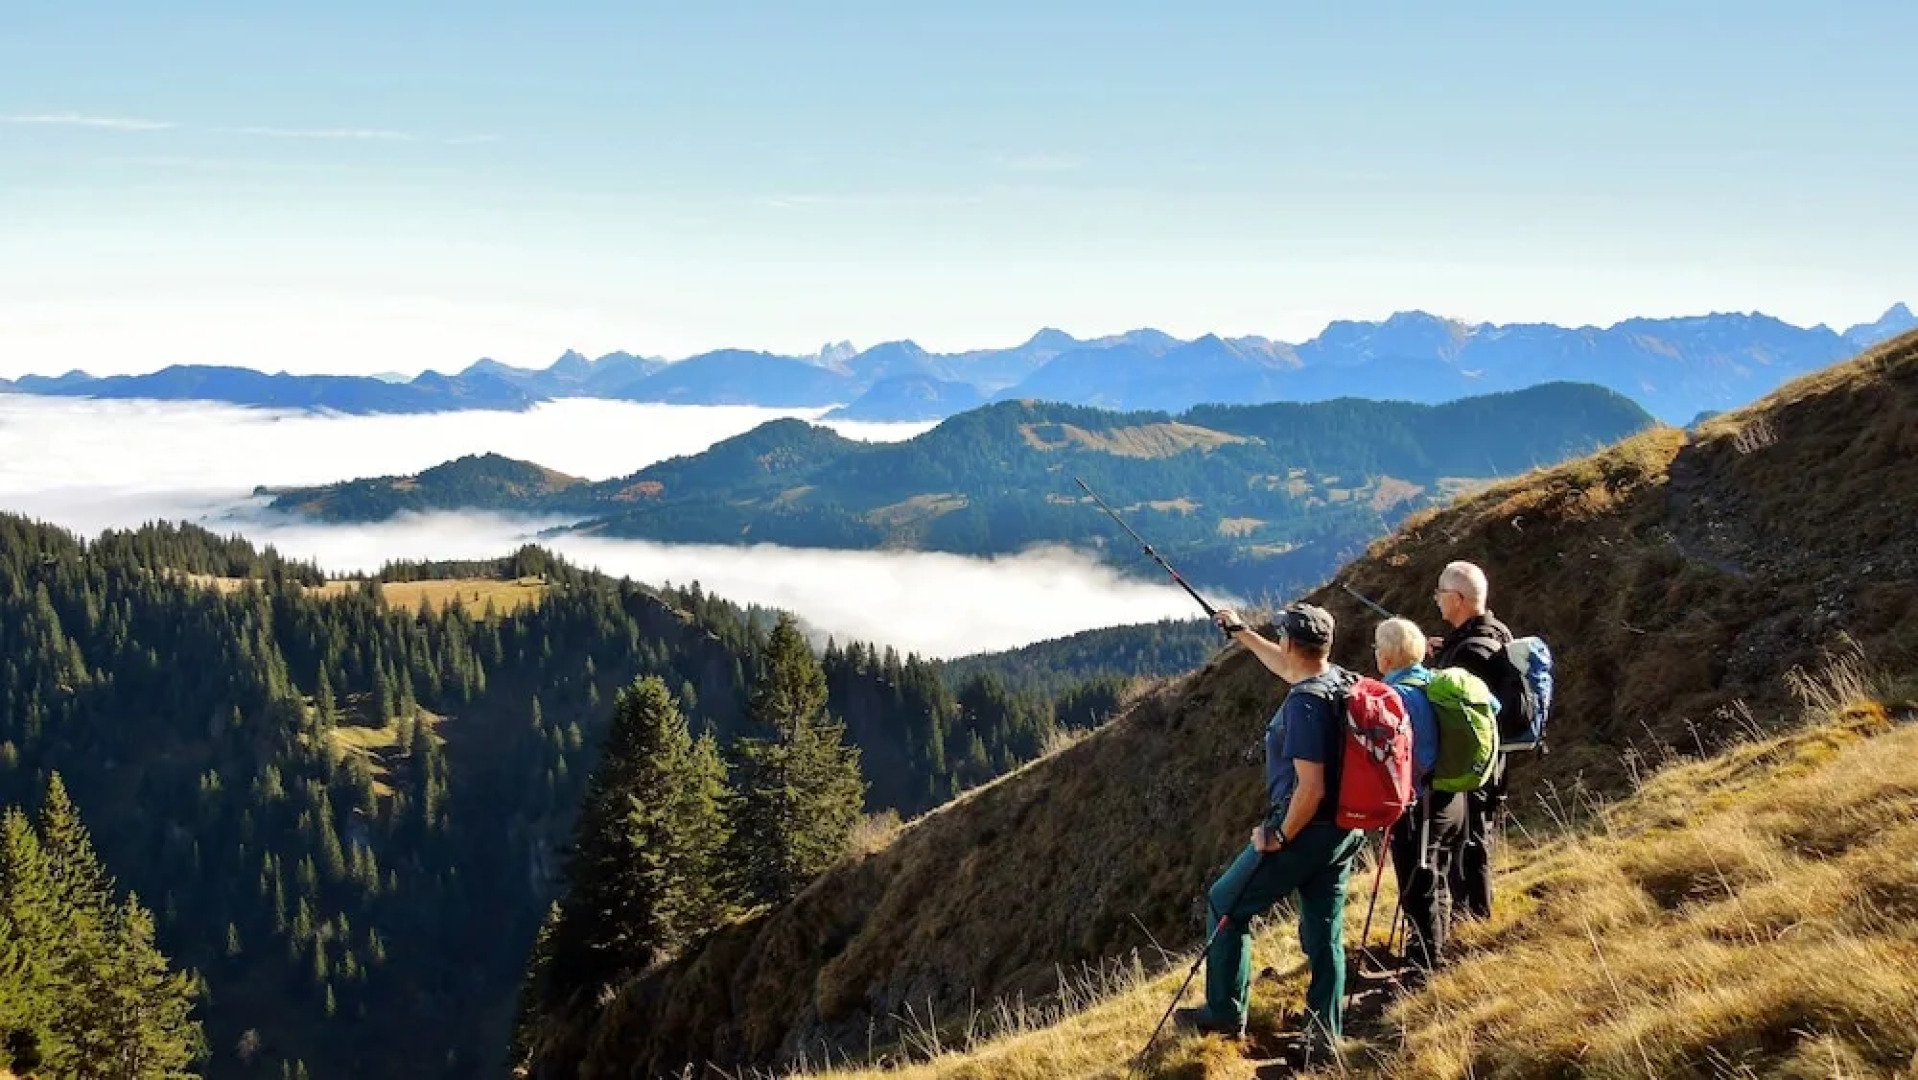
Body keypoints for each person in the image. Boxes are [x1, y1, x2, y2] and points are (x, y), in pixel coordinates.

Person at [1174, 602, 1366, 1056]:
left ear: (1291, 643)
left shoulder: (1304, 704)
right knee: (1324, 930)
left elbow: (1311, 786)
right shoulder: (1338, 679)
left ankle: (1224, 1013)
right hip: (1344, 828)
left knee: (1227, 902)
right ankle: (1325, 1034)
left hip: (1304, 830)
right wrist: (1241, 633)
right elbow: (1288, 667)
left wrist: (1279, 836)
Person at [1374, 617, 1467, 975]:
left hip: (1419, 804)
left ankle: (1425, 967)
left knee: (1418, 884)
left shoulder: (1394, 698)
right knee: (1437, 875)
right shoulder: (1438, 682)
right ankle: (1431, 949)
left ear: (1386, 657)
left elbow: (1410, 755)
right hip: (1452, 795)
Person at [1427, 560, 1515, 922]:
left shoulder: (1466, 654)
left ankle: (1474, 919)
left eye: (1440, 593)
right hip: (1493, 760)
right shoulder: (1496, 633)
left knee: (1469, 841)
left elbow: (1453, 711)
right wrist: (1443, 649)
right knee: (1477, 836)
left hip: (1470, 766)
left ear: (1458, 598)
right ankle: (1473, 915)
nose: (1436, 599)